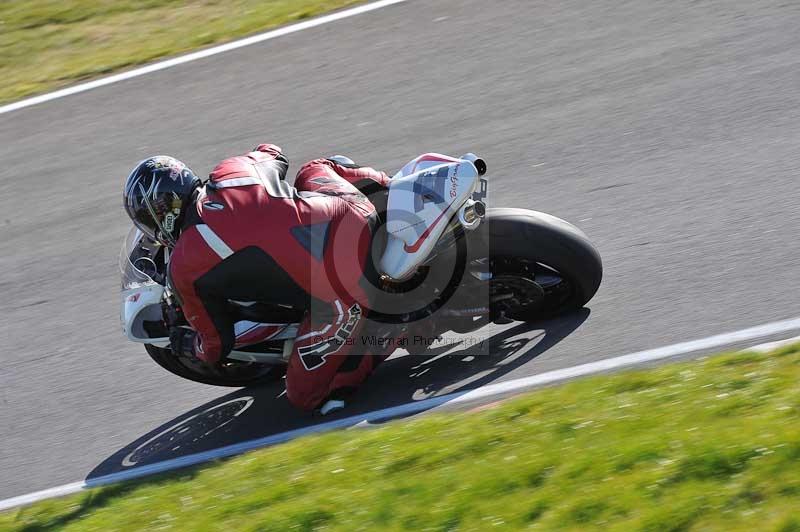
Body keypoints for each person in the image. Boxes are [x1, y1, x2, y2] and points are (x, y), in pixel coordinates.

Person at [123, 144, 396, 414]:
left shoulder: (184, 265)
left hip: (346, 285)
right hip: (356, 208)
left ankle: (391, 334)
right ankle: (392, 186)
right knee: (313, 169)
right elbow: (275, 153)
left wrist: (187, 343)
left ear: (162, 216)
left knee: (304, 395)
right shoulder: (229, 170)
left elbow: (217, 345)